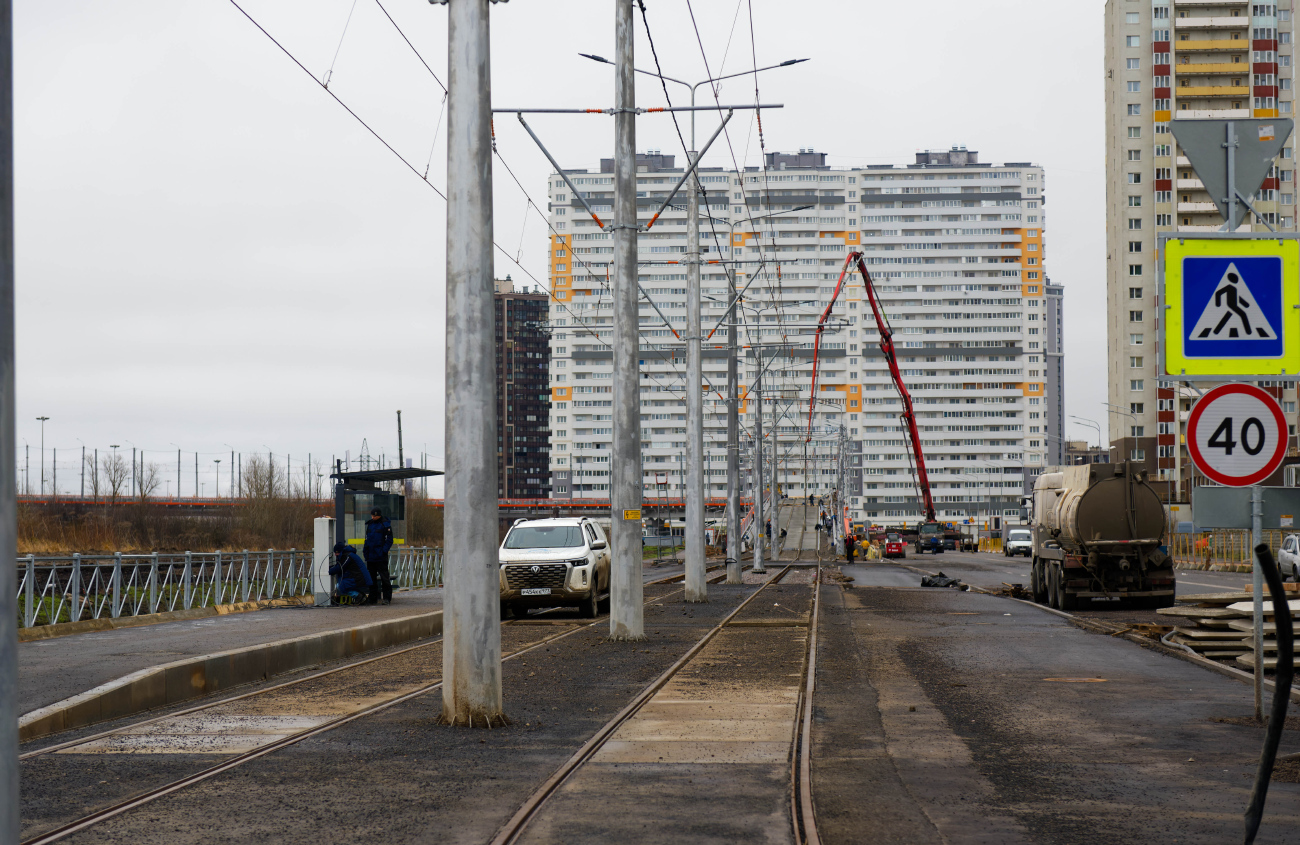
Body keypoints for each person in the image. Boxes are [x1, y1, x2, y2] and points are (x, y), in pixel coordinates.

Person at [364, 507, 395, 605]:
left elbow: (389, 540)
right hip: (371, 556)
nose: (373, 517)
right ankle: (372, 598)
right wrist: (366, 552)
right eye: (372, 515)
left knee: (384, 578)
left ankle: (386, 598)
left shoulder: (385, 524)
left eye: (375, 516)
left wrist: (383, 551)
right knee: (371, 578)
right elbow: (367, 539)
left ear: (379, 515)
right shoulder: (370, 524)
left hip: (380, 556)